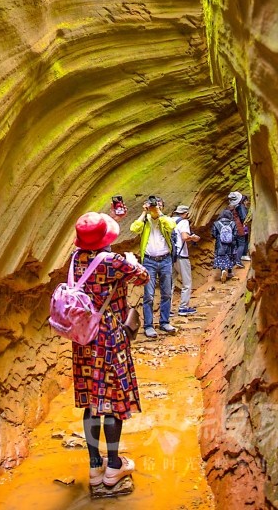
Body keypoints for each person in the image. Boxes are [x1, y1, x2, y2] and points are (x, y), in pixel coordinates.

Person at [71, 211, 149, 489]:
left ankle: (95, 467)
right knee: (113, 401)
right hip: (110, 337)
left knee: (93, 401)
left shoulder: (75, 259)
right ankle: (114, 466)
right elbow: (143, 277)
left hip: (84, 339)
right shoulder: (112, 262)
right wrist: (130, 261)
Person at [130, 196, 177, 338]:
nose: (155, 207)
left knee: (167, 293)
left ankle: (164, 322)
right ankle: (148, 326)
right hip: (149, 262)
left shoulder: (165, 220)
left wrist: (159, 213)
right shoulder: (145, 221)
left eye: (158, 204)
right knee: (149, 296)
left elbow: (171, 226)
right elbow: (134, 228)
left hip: (166, 260)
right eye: (153, 205)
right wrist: (144, 213)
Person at [171, 204, 200, 315]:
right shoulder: (183, 222)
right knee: (186, 283)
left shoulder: (169, 221)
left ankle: (167, 310)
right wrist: (194, 237)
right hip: (181, 256)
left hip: (170, 256)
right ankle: (183, 307)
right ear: (186, 214)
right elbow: (184, 237)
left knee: (170, 283)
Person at [211, 208, 238, 282]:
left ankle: (223, 271)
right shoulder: (233, 223)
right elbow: (236, 234)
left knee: (222, 258)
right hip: (231, 245)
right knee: (230, 257)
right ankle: (229, 272)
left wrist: (219, 237)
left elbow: (213, 234)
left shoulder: (216, 223)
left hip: (220, 245)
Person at [228, 191, 249, 267]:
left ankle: (233, 260)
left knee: (235, 244)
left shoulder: (230, 206)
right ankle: (238, 260)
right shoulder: (240, 206)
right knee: (241, 243)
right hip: (239, 227)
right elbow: (243, 217)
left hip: (232, 227)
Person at [241, 194, 252, 261]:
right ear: (244, 201)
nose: (248, 202)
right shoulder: (242, 208)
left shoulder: (244, 207)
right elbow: (243, 217)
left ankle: (243, 254)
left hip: (244, 226)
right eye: (247, 200)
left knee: (245, 240)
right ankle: (243, 255)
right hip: (243, 226)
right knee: (244, 240)